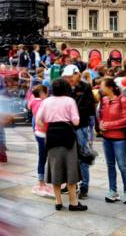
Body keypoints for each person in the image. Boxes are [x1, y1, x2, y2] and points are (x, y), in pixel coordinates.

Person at [36, 78, 87, 212]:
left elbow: (38, 120)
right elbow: (76, 122)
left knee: (55, 168)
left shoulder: (46, 101)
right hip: (67, 135)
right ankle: (73, 203)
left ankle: (58, 202)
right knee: (71, 169)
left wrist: (47, 128)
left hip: (52, 135)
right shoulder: (69, 101)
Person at [99, 78, 126, 204]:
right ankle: (112, 191)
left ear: (111, 87)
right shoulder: (104, 100)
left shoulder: (122, 100)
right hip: (106, 138)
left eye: (102, 86)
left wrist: (108, 125)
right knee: (110, 165)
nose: (101, 89)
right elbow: (101, 116)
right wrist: (101, 124)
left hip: (119, 138)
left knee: (122, 165)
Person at [63, 65, 94, 199]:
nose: (69, 79)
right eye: (67, 77)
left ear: (77, 74)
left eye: (71, 76)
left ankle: (84, 186)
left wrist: (72, 113)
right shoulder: (66, 87)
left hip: (81, 126)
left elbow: (87, 106)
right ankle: (72, 184)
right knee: (69, 156)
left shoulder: (85, 87)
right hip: (68, 126)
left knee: (83, 156)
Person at [30, 85, 53, 197]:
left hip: (38, 133)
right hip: (46, 133)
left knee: (42, 158)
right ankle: (47, 182)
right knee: (49, 158)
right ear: (42, 93)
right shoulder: (44, 103)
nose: (48, 94)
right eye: (46, 92)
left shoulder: (33, 101)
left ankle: (41, 181)